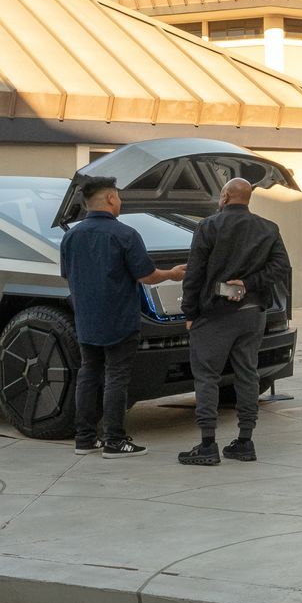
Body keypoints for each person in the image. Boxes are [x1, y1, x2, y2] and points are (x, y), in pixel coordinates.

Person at [58, 177, 185, 459]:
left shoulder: (71, 236)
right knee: (116, 376)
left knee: (88, 374)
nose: (120, 201)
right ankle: (114, 440)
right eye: (118, 196)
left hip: (86, 319)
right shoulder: (125, 234)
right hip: (119, 319)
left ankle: (84, 439)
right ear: (110, 198)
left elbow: (68, 275)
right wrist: (172, 274)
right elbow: (147, 275)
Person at [177, 178, 291, 465]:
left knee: (207, 376)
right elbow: (281, 267)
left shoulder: (208, 226)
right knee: (247, 374)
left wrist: (189, 313)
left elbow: (194, 274)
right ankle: (245, 441)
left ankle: (207, 445)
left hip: (214, 314)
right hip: (252, 314)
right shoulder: (268, 228)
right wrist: (250, 283)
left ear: (226, 196)